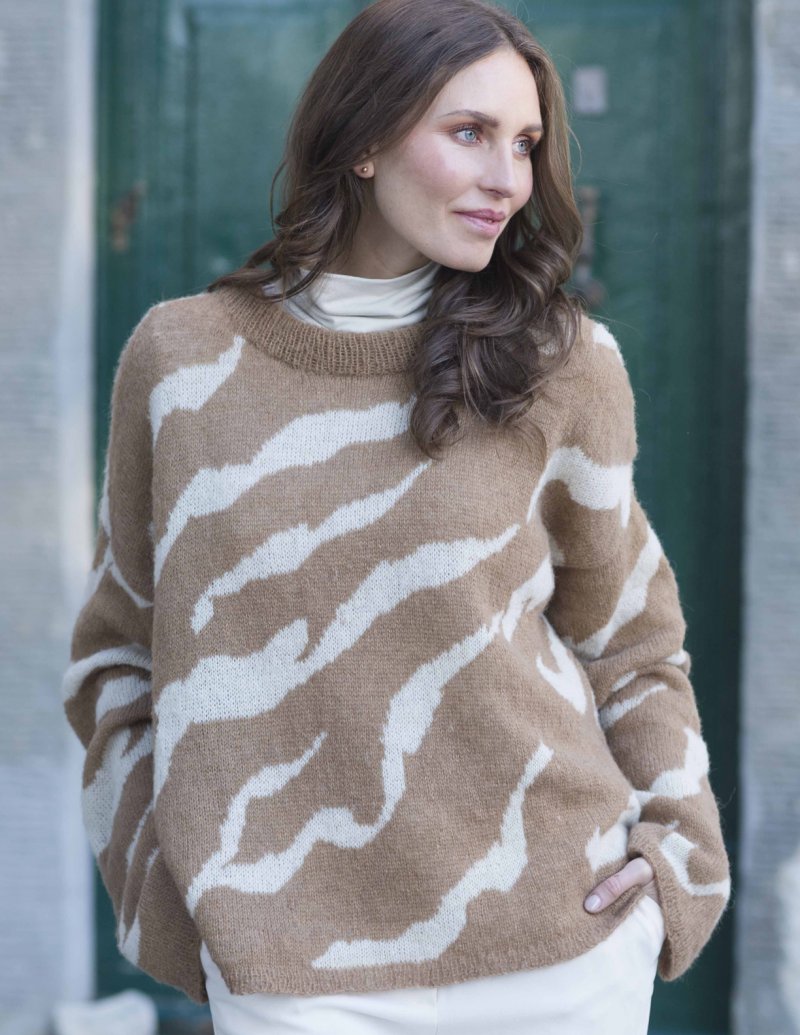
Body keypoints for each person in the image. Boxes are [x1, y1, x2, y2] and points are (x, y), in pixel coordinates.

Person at [60, 0, 731, 1032]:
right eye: (469, 132)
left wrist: (679, 856)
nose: (507, 178)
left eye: (525, 144)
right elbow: (117, 652)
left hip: (563, 948)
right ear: (365, 140)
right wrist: (164, 888)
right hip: (289, 967)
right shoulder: (183, 361)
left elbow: (632, 642)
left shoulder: (561, 363)